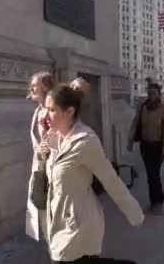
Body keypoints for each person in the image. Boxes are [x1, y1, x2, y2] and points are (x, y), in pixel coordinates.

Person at [38, 85, 144, 263]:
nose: (46, 114)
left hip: (79, 225)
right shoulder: (53, 137)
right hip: (57, 221)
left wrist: (135, 214)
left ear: (69, 111)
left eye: (51, 109)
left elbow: (111, 180)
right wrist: (43, 156)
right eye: (45, 109)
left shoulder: (86, 141)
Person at [127, 83, 164, 215]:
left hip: (158, 146)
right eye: (149, 93)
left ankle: (158, 202)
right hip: (145, 146)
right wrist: (130, 141)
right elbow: (135, 123)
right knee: (150, 174)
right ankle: (154, 201)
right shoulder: (143, 107)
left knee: (154, 174)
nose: (151, 95)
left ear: (159, 94)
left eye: (154, 93)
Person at [26, 71, 55, 251]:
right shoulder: (38, 111)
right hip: (40, 168)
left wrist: (50, 151)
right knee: (41, 209)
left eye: (35, 85)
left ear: (45, 86)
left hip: (53, 167)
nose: (31, 88)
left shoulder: (54, 111)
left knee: (55, 214)